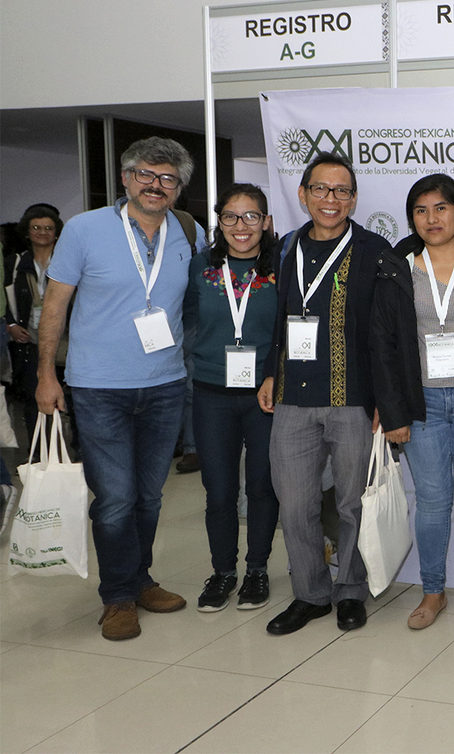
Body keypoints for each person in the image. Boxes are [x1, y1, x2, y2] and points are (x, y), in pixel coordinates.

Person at [36, 137, 196, 641]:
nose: (156, 185)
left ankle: (140, 578)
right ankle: (117, 597)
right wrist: (45, 374)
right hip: (98, 387)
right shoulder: (84, 229)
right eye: (145, 174)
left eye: (168, 178)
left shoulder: (185, 232)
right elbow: (55, 305)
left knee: (149, 496)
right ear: (125, 178)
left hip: (165, 385)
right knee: (115, 499)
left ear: (178, 188)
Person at [256, 154, 390, 635]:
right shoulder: (285, 247)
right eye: (320, 189)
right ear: (303, 194)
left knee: (352, 504)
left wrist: (385, 399)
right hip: (292, 397)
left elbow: (386, 332)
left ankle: (350, 590)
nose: (330, 199)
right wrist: (270, 373)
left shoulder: (373, 250)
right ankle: (311, 594)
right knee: (295, 506)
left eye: (341, 191)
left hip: (353, 399)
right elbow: (278, 318)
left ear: (353, 199)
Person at [370, 173, 454, 629]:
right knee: (430, 500)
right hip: (421, 401)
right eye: (421, 210)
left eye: (441, 208)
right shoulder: (396, 265)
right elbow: (382, 343)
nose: (432, 218)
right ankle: (432, 591)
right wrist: (393, 411)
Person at [183, 184, 279, 612]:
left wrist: (275, 373)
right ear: (218, 222)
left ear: (266, 221)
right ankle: (223, 571)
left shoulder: (281, 267)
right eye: (230, 217)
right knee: (219, 491)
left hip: (264, 396)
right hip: (211, 394)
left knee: (261, 486)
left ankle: (257, 570)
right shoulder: (200, 267)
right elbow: (187, 319)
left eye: (251, 216)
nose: (241, 226)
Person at [6, 204, 67, 440]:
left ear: (57, 233)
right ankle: (40, 451)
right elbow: (2, 298)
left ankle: (75, 451)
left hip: (66, 341)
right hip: (29, 341)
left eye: (48, 228)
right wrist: (11, 325)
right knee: (34, 398)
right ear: (27, 231)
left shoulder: (67, 261)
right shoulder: (14, 263)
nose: (42, 232)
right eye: (36, 227)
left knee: (71, 399)